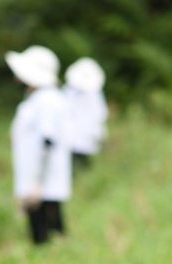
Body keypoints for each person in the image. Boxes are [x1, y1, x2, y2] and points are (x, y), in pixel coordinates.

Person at [7, 46, 72, 245]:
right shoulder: (37, 99)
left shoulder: (48, 100)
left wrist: (37, 183)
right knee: (40, 235)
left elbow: (48, 141)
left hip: (43, 185)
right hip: (38, 183)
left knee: (46, 238)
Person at [63, 58, 108, 168]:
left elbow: (99, 113)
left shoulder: (94, 93)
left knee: (79, 161)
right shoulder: (69, 90)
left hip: (85, 134)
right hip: (71, 134)